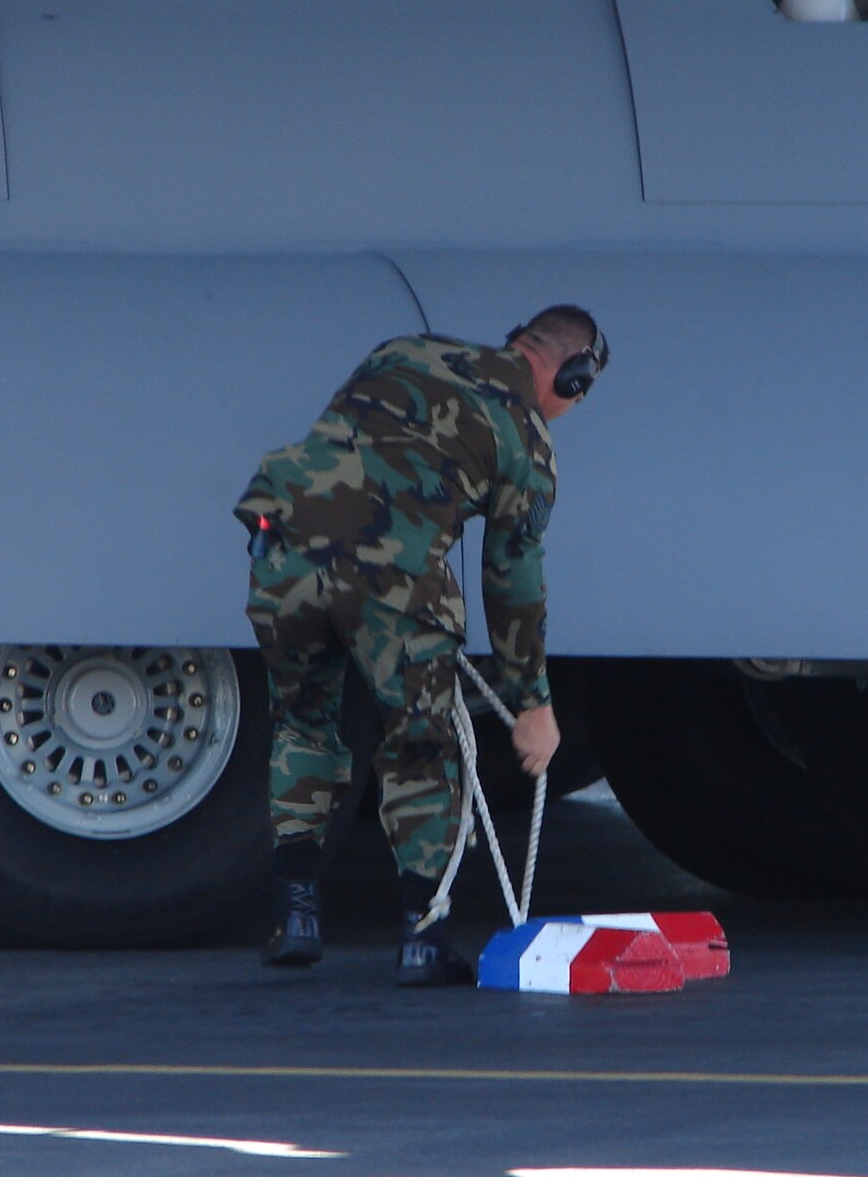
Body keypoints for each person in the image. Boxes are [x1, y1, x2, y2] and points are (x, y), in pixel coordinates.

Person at [234, 305, 608, 986]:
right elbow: (513, 577)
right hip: (392, 583)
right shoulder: (525, 438)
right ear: (575, 377)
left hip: (283, 554)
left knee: (303, 724)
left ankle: (296, 916)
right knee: (420, 746)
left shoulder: (404, 349)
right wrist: (532, 701)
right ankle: (422, 937)